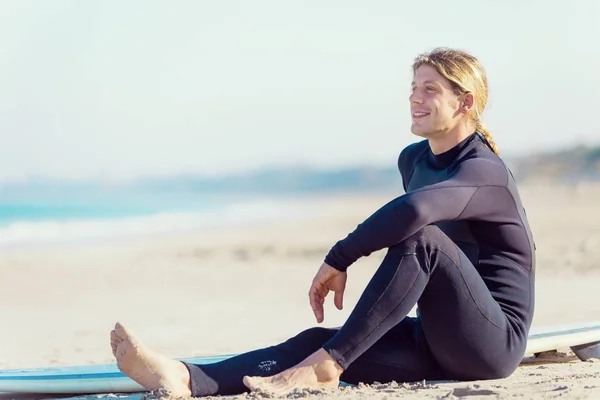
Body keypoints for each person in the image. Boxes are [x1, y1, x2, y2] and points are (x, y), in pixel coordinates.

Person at [109, 47, 536, 398]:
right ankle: (186, 378)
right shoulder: (414, 161)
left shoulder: (485, 171)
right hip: (436, 339)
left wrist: (340, 257)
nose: (414, 98)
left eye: (430, 89)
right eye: (412, 87)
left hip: (491, 347)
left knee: (421, 240)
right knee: (313, 343)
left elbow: (414, 216)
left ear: (465, 103)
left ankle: (328, 368)